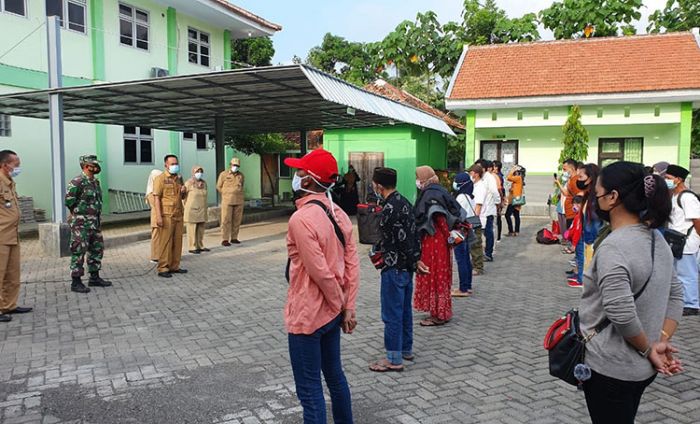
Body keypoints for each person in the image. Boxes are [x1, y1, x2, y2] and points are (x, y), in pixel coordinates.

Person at [580, 161, 684, 423]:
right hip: (642, 369)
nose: (594, 196)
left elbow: (621, 312)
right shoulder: (656, 237)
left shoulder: (614, 247)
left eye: (598, 190)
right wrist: (659, 340)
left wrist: (649, 348)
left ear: (613, 197)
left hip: (612, 367)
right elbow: (676, 294)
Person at [284, 148, 359, 423]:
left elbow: (321, 273)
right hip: (331, 315)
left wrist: (341, 305)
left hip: (308, 315)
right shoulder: (338, 214)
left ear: (307, 180)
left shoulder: (301, 219)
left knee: (310, 390)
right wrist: (347, 306)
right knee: (335, 377)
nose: (295, 175)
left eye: (299, 171)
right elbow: (352, 265)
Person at [369, 167, 420, 372]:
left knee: (391, 314)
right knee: (404, 311)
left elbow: (400, 240)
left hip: (394, 267)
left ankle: (393, 358)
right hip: (406, 268)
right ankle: (405, 349)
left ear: (379, 185)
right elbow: (413, 236)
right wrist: (416, 260)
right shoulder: (404, 202)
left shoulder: (389, 209)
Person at [414, 166, 464, 326]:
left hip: (434, 244)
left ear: (424, 178)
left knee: (435, 277)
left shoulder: (431, 195)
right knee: (440, 277)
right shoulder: (439, 190)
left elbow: (440, 219)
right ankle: (441, 311)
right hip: (440, 243)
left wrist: (447, 236)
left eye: (418, 177)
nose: (417, 181)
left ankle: (438, 315)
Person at [64, 154, 112, 294]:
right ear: (86, 166)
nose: (97, 167)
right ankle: (76, 281)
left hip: (94, 222)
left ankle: (94, 277)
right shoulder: (77, 182)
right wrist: (78, 214)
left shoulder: (95, 182)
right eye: (94, 164)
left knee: (97, 249)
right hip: (81, 224)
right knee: (79, 251)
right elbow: (69, 201)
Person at [664, 164, 700, 316]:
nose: (666, 180)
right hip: (676, 241)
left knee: (688, 274)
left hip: (687, 242)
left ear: (678, 180)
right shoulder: (674, 196)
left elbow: (697, 220)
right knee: (679, 274)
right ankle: (683, 302)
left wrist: (696, 239)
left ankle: (692, 304)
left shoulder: (688, 197)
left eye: (669, 178)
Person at [0, 150, 31, 322]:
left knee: (12, 274)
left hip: (12, 235)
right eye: (16, 164)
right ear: (5, 165)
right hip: (0, 236)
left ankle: (8, 305)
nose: (18, 168)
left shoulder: (10, 182)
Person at [152, 154, 187, 278]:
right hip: (166, 215)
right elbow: (156, 198)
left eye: (176, 163)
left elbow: (182, 197)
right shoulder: (160, 179)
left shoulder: (178, 178)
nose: (175, 166)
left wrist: (184, 191)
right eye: (172, 164)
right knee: (165, 242)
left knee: (177, 242)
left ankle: (174, 266)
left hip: (178, 214)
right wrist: (158, 217)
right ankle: (163, 268)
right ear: (166, 165)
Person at [567, 164, 601, 288]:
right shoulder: (587, 196)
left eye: (580, 177)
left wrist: (589, 242)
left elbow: (595, 226)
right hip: (587, 242)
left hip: (591, 244)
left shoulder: (595, 200)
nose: (578, 180)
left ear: (590, 178)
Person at [452, 172, 474, 297]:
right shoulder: (470, 196)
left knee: (461, 260)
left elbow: (457, 215)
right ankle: (468, 286)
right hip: (467, 229)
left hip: (460, 230)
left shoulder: (460, 198)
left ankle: (463, 288)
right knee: (466, 259)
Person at [470, 164, 497, 262]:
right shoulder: (475, 185)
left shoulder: (481, 186)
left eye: (471, 173)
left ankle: (479, 264)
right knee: (476, 241)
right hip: (476, 216)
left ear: (476, 174)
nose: (470, 175)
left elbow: (478, 205)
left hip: (479, 217)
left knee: (478, 241)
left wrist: (473, 221)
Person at [217, 157, 245, 246]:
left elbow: (242, 185)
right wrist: (225, 193)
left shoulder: (241, 175)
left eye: (237, 165)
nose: (235, 167)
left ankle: (234, 237)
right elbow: (218, 186)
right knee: (225, 220)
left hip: (239, 200)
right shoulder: (223, 174)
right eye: (234, 165)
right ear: (230, 165)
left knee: (237, 220)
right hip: (227, 201)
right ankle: (225, 239)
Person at [184, 165, 209, 254]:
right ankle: (192, 247)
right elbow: (183, 197)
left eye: (201, 171)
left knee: (201, 228)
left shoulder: (204, 183)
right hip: (192, 210)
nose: (199, 173)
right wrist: (185, 207)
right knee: (192, 229)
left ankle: (200, 245)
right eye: (197, 171)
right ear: (193, 173)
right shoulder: (189, 183)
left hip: (202, 209)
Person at [146, 169, 163, 262]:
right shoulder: (151, 192)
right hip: (156, 217)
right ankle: (155, 256)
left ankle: (162, 254)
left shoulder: (158, 190)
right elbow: (156, 204)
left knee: (162, 237)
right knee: (156, 237)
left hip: (162, 216)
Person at [505, 165, 525, 236]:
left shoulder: (518, 178)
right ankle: (516, 231)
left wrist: (512, 170)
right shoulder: (518, 179)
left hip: (514, 200)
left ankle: (511, 231)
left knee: (507, 215)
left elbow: (508, 177)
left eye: (515, 171)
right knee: (516, 215)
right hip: (515, 199)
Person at [492, 160, 505, 242]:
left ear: (496, 167)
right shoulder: (498, 175)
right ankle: (498, 237)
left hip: (498, 198)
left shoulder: (497, 176)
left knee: (498, 217)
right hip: (499, 197)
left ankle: (498, 236)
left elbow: (500, 189)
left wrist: (501, 200)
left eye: (493, 166)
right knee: (498, 218)